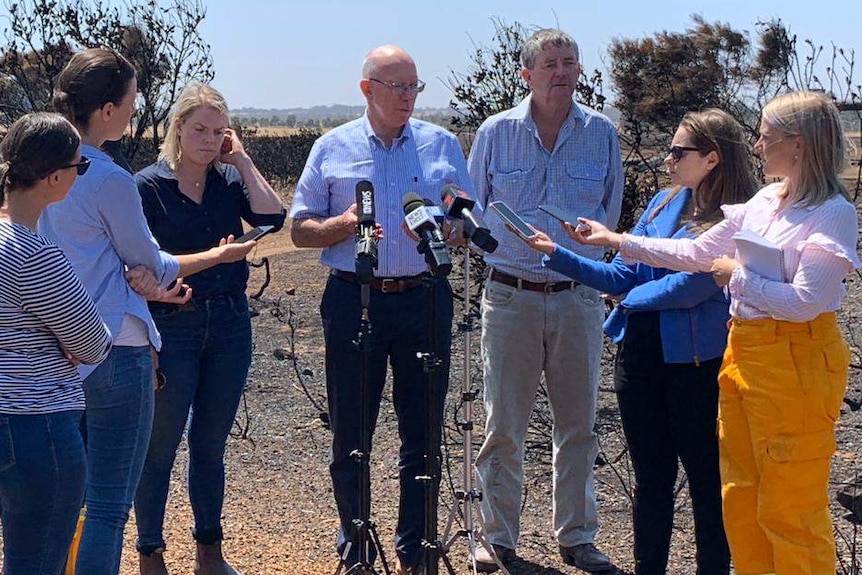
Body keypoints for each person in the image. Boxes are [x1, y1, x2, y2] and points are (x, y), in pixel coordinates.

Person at [571, 91, 860, 575]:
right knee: (741, 501)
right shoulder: (767, 199)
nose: (759, 144)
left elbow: (807, 301)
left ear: (799, 144)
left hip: (797, 362)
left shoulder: (832, 211)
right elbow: (694, 254)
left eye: (767, 136)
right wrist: (617, 240)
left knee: (790, 508)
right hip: (744, 355)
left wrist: (738, 277)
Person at [38, 48, 255, 575]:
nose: (136, 112)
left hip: (50, 346)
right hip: (113, 346)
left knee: (60, 494)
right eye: (132, 101)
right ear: (108, 110)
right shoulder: (109, 177)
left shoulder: (36, 166)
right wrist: (217, 257)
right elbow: (150, 263)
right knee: (108, 503)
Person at [516, 109, 758, 574]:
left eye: (677, 151)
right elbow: (621, 272)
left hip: (695, 363)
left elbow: (696, 284)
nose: (667, 160)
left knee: (708, 481)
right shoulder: (662, 204)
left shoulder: (735, 217)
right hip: (641, 355)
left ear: (711, 159)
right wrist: (558, 255)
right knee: (651, 479)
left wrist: (628, 301)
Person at [289, 45, 471, 575]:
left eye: (415, 87)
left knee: (424, 430)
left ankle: (417, 548)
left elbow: (464, 215)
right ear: (367, 89)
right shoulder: (332, 147)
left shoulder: (442, 144)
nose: (408, 97)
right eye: (397, 87)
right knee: (352, 432)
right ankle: (357, 547)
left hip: (425, 298)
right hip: (353, 297)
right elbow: (299, 228)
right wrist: (341, 225)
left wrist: (456, 230)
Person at [467, 28, 623, 572]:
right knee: (502, 425)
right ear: (527, 74)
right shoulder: (496, 132)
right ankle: (495, 539)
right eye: (550, 63)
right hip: (510, 295)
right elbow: (472, 206)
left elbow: (611, 212)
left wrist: (592, 246)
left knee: (578, 425)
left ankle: (577, 537)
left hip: (578, 297)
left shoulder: (601, 133)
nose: (561, 71)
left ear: (580, 71)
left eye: (570, 62)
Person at [133, 83, 285, 575]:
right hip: (171, 324)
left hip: (229, 323)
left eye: (218, 131)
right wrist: (218, 256)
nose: (208, 139)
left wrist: (240, 160)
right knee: (158, 446)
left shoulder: (227, 181)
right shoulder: (147, 186)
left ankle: (209, 552)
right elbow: (145, 267)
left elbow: (272, 216)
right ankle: (150, 553)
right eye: (199, 128)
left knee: (210, 444)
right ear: (178, 127)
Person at [0, 112, 111, 575]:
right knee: (36, 563)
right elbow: (93, 343)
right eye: (79, 167)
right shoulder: (34, 254)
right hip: (38, 427)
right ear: (54, 177)